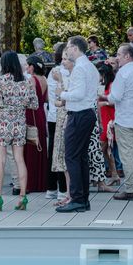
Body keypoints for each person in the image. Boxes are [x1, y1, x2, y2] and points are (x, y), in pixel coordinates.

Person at [0, 51, 39, 212]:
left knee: (0, 160)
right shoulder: (27, 82)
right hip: (19, 124)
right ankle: (22, 197)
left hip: (2, 124)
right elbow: (34, 105)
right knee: (19, 160)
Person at [55, 36, 100, 213]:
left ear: (74, 48)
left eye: (68, 48)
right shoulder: (90, 66)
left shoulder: (80, 68)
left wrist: (62, 94)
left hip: (79, 114)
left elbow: (79, 93)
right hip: (86, 113)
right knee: (80, 157)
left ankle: (77, 198)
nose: (66, 52)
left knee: (72, 157)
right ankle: (82, 199)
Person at [103, 44, 133, 200]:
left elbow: (115, 97)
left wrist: (103, 97)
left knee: (127, 154)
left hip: (125, 118)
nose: (117, 57)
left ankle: (130, 189)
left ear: (128, 56)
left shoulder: (122, 73)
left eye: (119, 55)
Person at [51, 48, 73, 206]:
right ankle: (67, 193)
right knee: (62, 158)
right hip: (60, 118)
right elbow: (57, 100)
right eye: (63, 58)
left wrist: (59, 81)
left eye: (66, 58)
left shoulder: (71, 77)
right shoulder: (63, 75)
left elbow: (64, 98)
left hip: (68, 118)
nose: (62, 61)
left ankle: (71, 194)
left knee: (68, 157)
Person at [46, 43, 67, 200]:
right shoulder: (62, 72)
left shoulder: (52, 72)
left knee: (53, 151)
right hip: (61, 115)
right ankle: (62, 188)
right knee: (61, 152)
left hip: (52, 116)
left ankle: (51, 187)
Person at [24, 56, 49, 193]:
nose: (26, 68)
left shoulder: (31, 80)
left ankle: (31, 182)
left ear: (32, 66)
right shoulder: (44, 79)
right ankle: (41, 181)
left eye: (28, 65)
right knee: (40, 145)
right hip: (40, 113)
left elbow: (28, 99)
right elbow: (45, 98)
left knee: (31, 145)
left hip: (31, 114)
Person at [97, 63, 119, 187]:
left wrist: (103, 102)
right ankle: (114, 174)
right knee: (106, 150)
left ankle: (98, 176)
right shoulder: (103, 85)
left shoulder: (111, 85)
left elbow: (113, 101)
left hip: (110, 119)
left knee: (101, 148)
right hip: (103, 118)